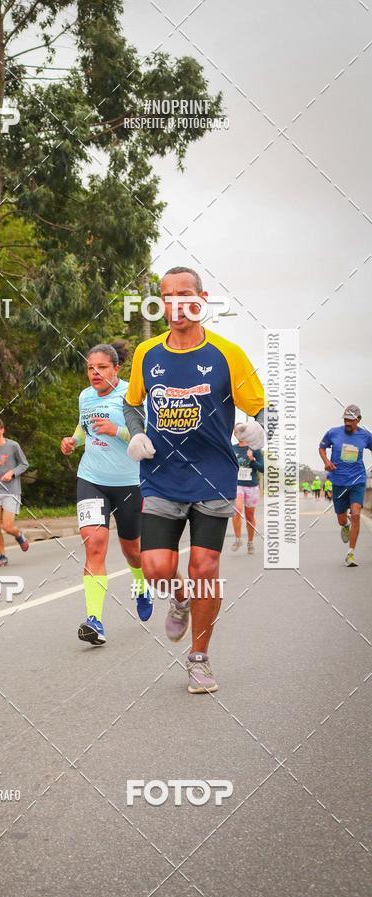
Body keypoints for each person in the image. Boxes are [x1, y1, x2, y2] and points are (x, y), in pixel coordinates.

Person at [124, 266, 266, 694]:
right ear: (161, 302)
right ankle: (178, 597)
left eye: (185, 295)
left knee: (205, 567)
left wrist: (260, 431)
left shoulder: (228, 353)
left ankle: (199, 659)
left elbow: (263, 408)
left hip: (214, 477)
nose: (176, 304)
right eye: (167, 296)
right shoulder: (146, 354)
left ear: (202, 299)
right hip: (162, 476)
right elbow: (133, 404)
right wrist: (136, 434)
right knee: (156, 568)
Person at [60, 342, 152, 645]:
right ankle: (94, 620)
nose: (94, 373)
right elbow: (83, 427)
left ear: (116, 368)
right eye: (90, 368)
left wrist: (117, 431)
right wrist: (73, 441)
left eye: (101, 368)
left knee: (132, 551)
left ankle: (141, 587)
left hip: (129, 482)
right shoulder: (85, 396)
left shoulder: (132, 394)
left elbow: (147, 437)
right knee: (94, 545)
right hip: (92, 478)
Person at [319, 404, 372, 567]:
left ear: (358, 420)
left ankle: (351, 553)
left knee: (356, 513)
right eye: (346, 420)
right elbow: (321, 447)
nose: (348, 423)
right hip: (338, 481)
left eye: (351, 420)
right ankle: (345, 526)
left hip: (358, 480)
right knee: (342, 519)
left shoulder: (365, 436)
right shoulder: (333, 432)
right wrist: (326, 462)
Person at [0, 417, 30, 567]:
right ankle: (2, 556)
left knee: (7, 527)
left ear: (2, 430)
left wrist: (12, 473)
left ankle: (19, 535)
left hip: (11, 491)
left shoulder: (13, 446)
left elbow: (24, 464)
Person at [231, 425, 264, 554]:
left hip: (251, 485)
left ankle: (250, 542)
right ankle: (238, 539)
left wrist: (252, 460)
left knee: (250, 516)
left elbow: (263, 469)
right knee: (237, 511)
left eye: (240, 430)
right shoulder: (232, 448)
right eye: (235, 431)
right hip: (237, 484)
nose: (237, 433)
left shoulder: (255, 449)